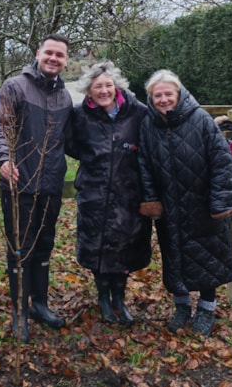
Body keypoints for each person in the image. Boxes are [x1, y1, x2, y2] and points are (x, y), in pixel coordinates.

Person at [137, 69, 232, 336]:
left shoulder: (201, 119)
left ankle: (206, 309)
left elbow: (222, 161)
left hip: (202, 204)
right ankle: (182, 307)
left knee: (207, 257)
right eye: (157, 95)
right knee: (174, 257)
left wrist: (220, 200)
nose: (163, 99)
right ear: (150, 98)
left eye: (168, 93)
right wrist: (151, 201)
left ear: (179, 94)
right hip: (169, 206)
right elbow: (144, 165)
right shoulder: (148, 125)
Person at [0, 33, 73, 342]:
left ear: (65, 60)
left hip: (51, 185)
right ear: (38, 53)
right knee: (20, 250)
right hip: (19, 184)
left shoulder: (64, 97)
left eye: (59, 55)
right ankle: (19, 311)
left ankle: (40, 305)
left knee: (44, 245)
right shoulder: (15, 87)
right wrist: (4, 159)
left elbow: (74, 139)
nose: (53, 59)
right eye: (49, 52)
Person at [66, 61, 152, 326]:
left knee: (125, 246)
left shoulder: (137, 112)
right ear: (89, 91)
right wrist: (93, 160)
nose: (103, 91)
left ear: (116, 86)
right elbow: (70, 143)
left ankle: (119, 299)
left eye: (108, 85)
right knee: (98, 246)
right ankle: (103, 298)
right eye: (97, 87)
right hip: (95, 191)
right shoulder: (80, 115)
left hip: (129, 192)